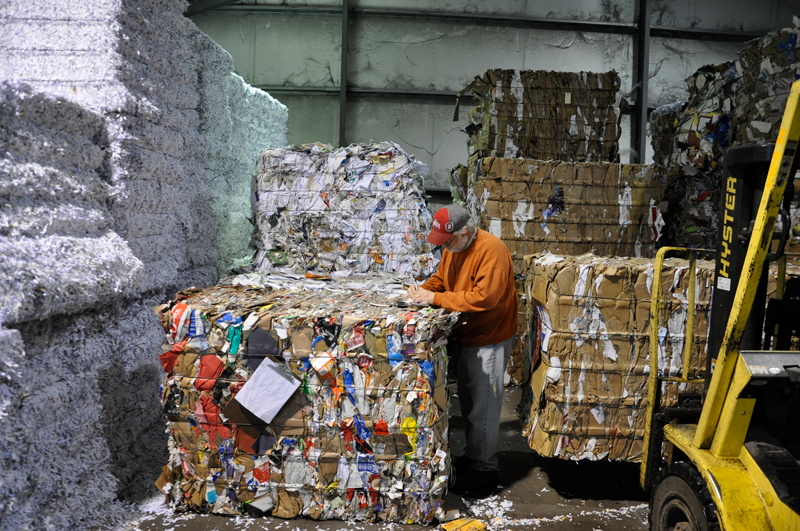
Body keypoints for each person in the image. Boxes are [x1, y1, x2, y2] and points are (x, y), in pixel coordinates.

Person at [406, 204, 518, 496]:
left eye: (448, 241)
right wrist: (421, 292)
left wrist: (436, 298)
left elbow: (485, 298)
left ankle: (484, 470)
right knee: (469, 401)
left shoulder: (491, 250)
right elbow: (441, 280)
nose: (445, 248)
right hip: (468, 335)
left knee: (485, 405)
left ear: (465, 232)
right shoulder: (454, 249)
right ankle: (473, 456)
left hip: (489, 336)